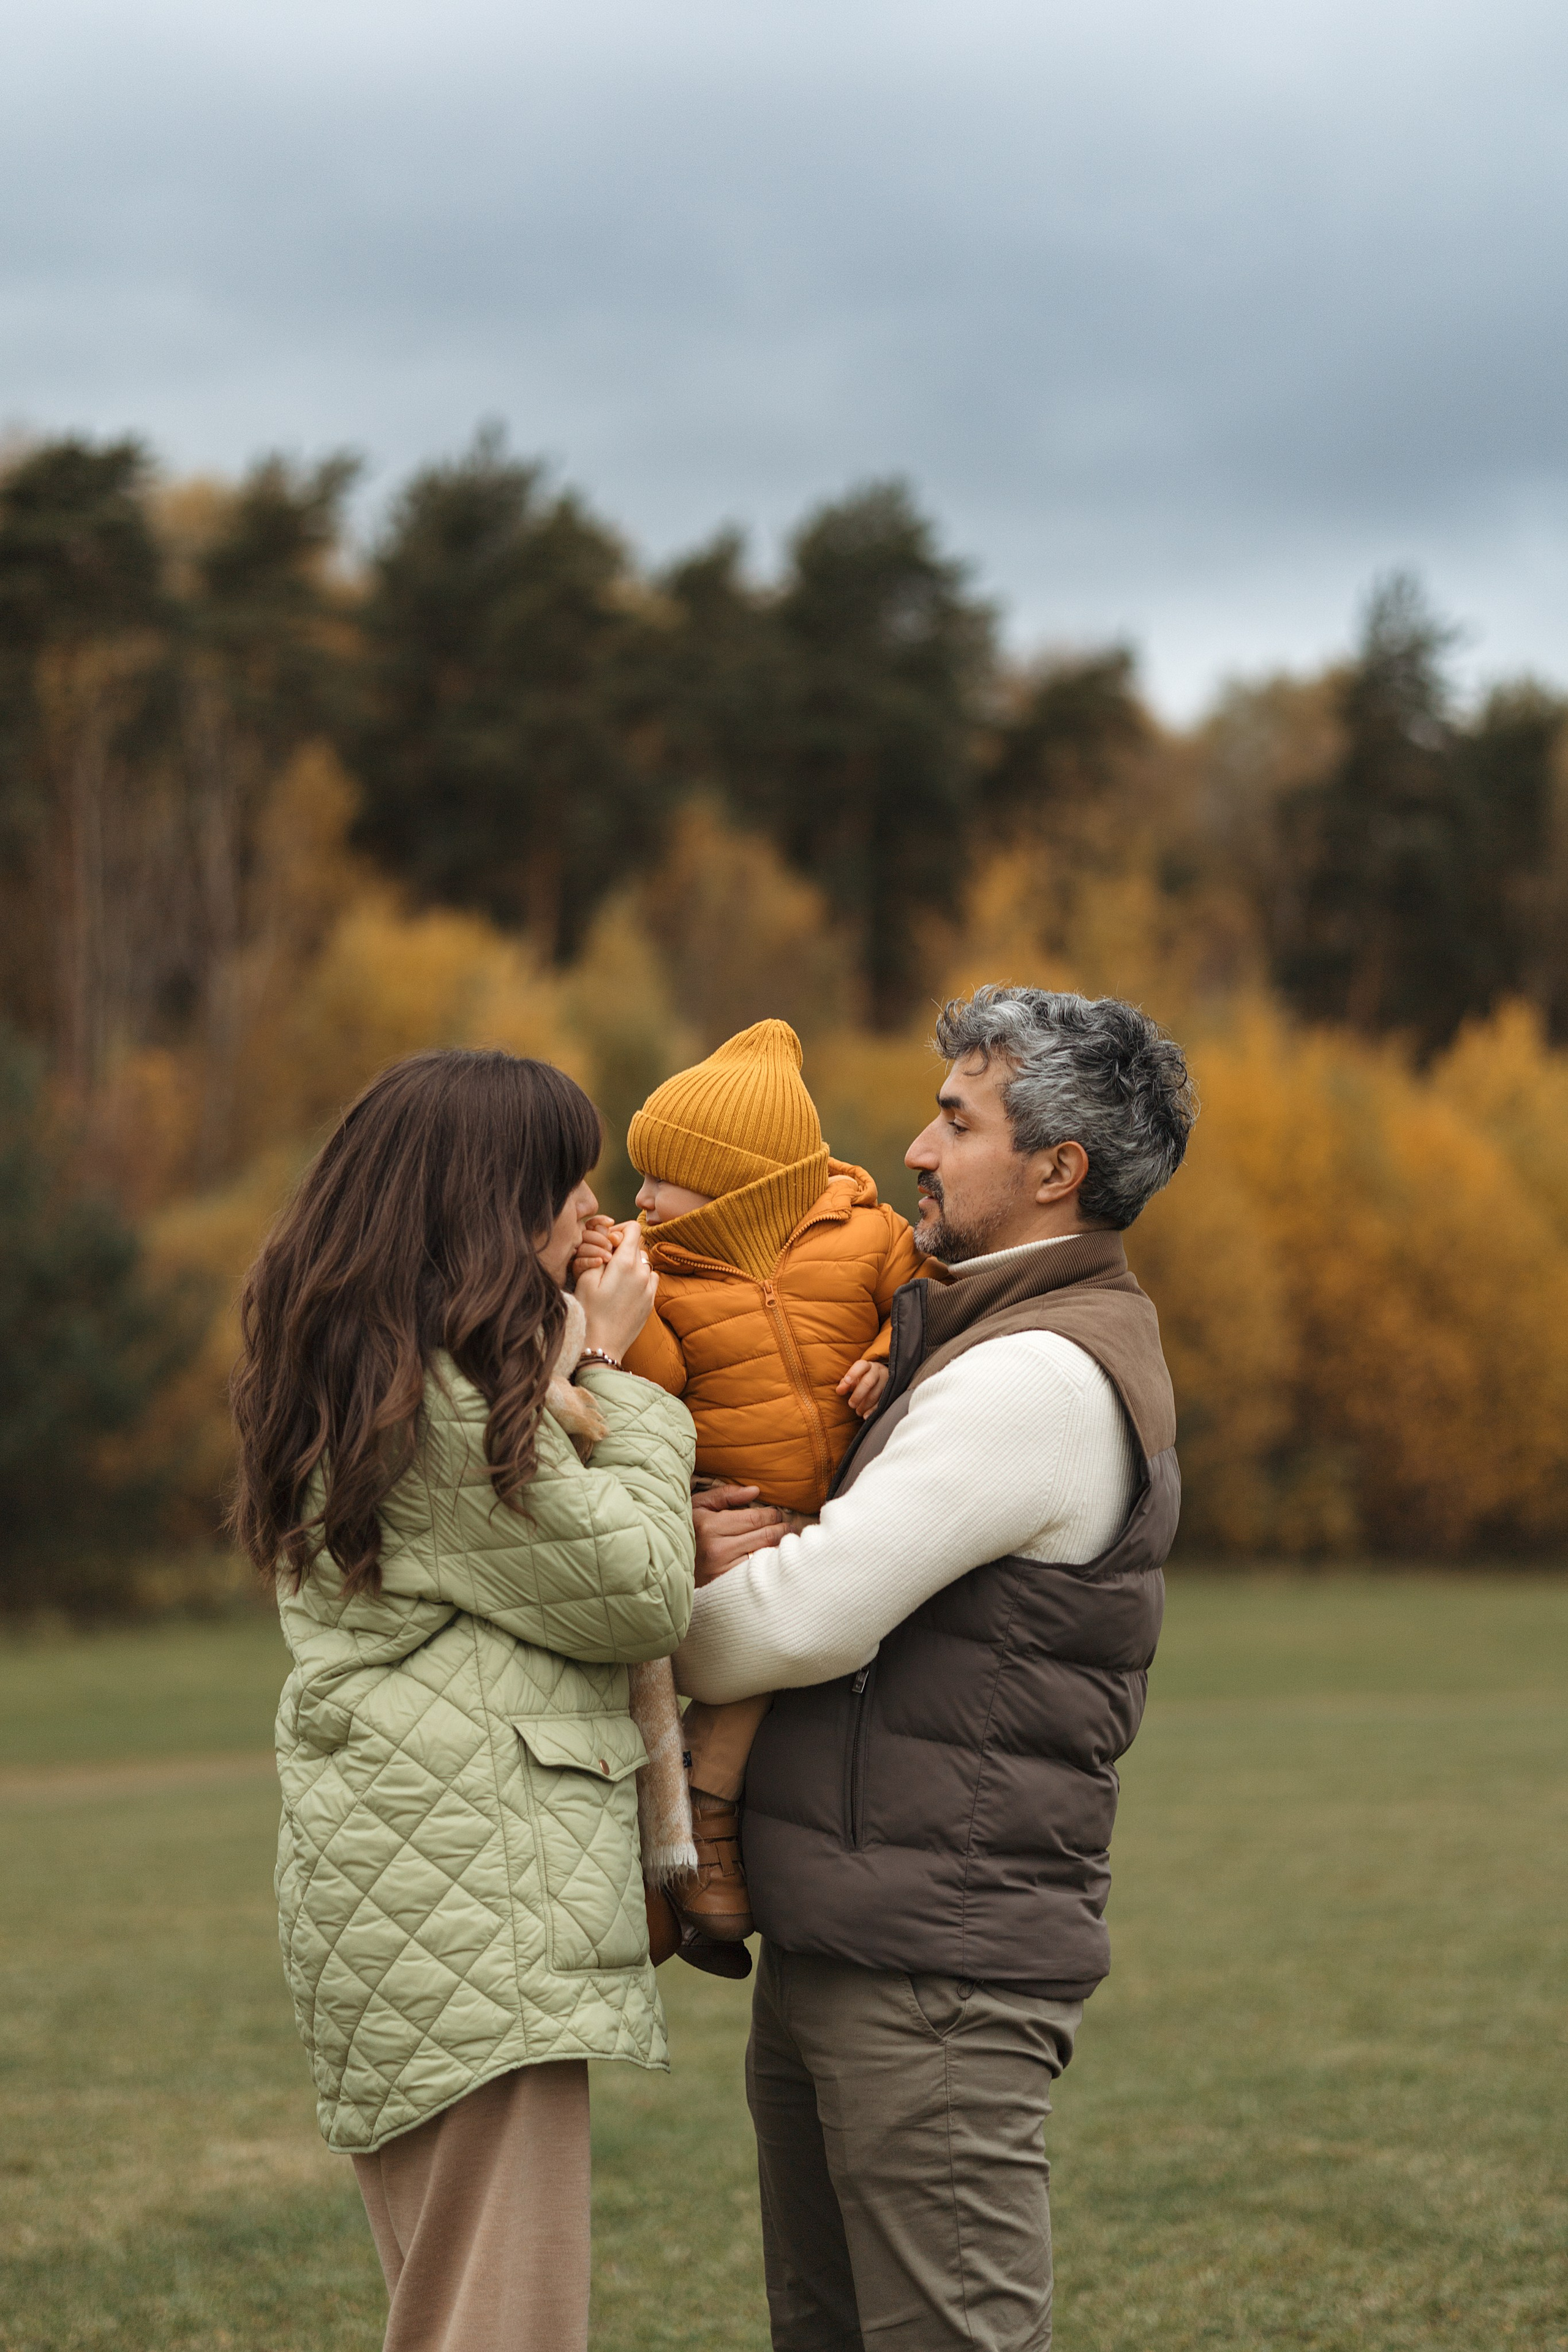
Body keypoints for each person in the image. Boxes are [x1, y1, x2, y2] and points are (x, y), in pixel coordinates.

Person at [676, 985, 1197, 2352]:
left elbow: (802, 1620)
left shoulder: (1034, 1371)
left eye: (952, 1122)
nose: (912, 1147)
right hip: (861, 1940)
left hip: (933, 1979)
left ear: (1052, 1170)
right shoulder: (962, 1331)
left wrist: (624, 1618)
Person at [229, 1048, 694, 2352]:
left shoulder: (386, 1378)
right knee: (499, 2323)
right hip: (468, 1903)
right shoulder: (445, 1414)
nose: (594, 1216)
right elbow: (642, 1587)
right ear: (495, 1205)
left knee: (455, 2310)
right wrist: (613, 1373)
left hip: (423, 1894)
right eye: (570, 1183)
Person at [572, 1017, 923, 1959]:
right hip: (741, 1517)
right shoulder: (664, 1269)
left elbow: (932, 1295)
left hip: (847, 1510)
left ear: (742, 1177)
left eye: (661, 1174)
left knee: (765, 1687)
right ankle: (683, 1863)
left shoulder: (869, 1234)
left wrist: (896, 1354)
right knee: (719, 1679)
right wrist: (617, 1298)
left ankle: (697, 1843)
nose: (638, 1196)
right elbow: (654, 1385)